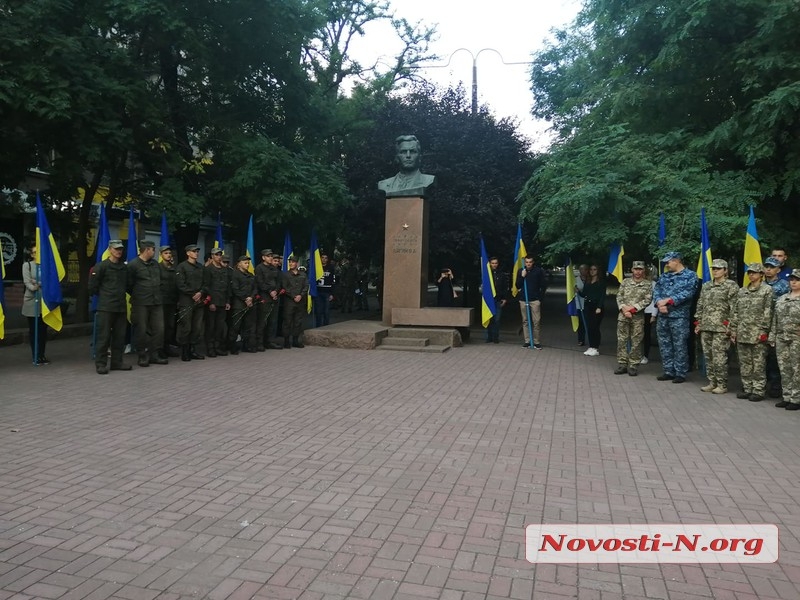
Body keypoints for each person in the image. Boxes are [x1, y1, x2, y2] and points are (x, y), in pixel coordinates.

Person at [653, 251, 699, 383]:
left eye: (669, 262)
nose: (667, 264)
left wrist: (669, 300)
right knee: (664, 344)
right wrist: (659, 303)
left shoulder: (690, 276)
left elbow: (688, 293)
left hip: (679, 317)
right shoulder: (664, 276)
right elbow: (657, 291)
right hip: (663, 315)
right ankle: (668, 370)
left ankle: (680, 372)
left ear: (677, 260)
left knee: (680, 345)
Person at [730, 262, 774, 401]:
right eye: (749, 272)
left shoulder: (767, 290)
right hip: (742, 332)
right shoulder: (742, 290)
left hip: (757, 333)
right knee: (745, 363)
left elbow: (768, 312)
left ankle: (758, 390)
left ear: (761, 274)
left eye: (754, 272)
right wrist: (733, 329)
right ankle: (747, 388)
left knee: (758, 364)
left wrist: (764, 331)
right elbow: (736, 312)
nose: (751, 275)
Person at [693, 258, 738, 394]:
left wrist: (731, 327)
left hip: (721, 328)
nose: (715, 271)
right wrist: (698, 322)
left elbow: (734, 308)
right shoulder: (707, 285)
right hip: (706, 326)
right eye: (713, 269)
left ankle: (722, 384)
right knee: (708, 356)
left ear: (725, 271)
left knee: (719, 357)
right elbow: (700, 304)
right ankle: (712, 382)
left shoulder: (731, 286)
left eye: (718, 269)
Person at [88, 240, 130, 374]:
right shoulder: (101, 267)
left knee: (119, 337)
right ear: (110, 250)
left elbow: (128, 285)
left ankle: (117, 362)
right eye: (116, 249)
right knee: (103, 337)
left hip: (120, 307)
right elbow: (92, 287)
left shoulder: (124, 268)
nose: (119, 251)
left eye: (121, 249)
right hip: (106, 307)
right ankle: (101, 364)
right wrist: (105, 296)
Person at [127, 240, 167, 367]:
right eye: (153, 249)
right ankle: (142, 355)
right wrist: (139, 293)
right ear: (147, 250)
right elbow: (128, 284)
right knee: (141, 330)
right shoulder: (133, 265)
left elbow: (160, 280)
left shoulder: (155, 264)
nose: (155, 252)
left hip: (156, 301)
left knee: (159, 329)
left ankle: (155, 354)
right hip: (141, 302)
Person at [614, 261, 653, 376]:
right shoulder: (625, 282)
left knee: (636, 342)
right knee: (622, 340)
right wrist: (624, 309)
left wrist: (632, 309)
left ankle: (633, 365)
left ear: (644, 271)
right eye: (636, 269)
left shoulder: (647, 284)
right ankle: (622, 364)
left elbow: (647, 300)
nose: (638, 272)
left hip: (637, 317)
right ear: (632, 270)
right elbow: (619, 296)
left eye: (640, 269)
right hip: (623, 316)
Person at [771, 269, 800, 410]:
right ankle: (787, 396)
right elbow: (775, 319)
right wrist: (773, 336)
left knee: (797, 369)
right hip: (782, 337)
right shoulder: (782, 298)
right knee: (784, 368)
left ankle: (796, 398)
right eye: (791, 279)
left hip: (797, 339)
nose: (793, 282)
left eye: (797, 279)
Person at [175, 243, 206, 361]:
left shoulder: (200, 267)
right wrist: (192, 293)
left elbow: (206, 283)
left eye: (197, 251)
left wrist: (201, 292)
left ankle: (193, 350)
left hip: (199, 301)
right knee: (186, 327)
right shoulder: (182, 267)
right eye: (194, 251)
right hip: (186, 301)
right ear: (188, 253)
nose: (196, 253)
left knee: (197, 327)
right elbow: (180, 284)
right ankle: (185, 351)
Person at [764, 256, 789, 397]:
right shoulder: (760, 284)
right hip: (762, 325)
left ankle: (775, 386)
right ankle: (760, 384)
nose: (768, 269)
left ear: (778, 269)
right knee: (762, 357)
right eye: (766, 266)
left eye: (772, 267)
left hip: (777, 326)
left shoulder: (784, 285)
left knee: (775, 358)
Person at [21, 243, 49, 365]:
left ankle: (42, 354)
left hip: (44, 301)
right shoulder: (27, 266)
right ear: (31, 255)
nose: (37, 255)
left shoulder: (45, 266)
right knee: (34, 330)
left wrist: (38, 283)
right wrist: (34, 285)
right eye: (35, 252)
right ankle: (35, 355)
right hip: (32, 301)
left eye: (39, 252)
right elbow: (27, 283)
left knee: (43, 330)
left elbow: (49, 282)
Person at [203, 247, 231, 357]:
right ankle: (210, 348)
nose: (219, 257)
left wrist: (228, 301)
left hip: (223, 301)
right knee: (211, 326)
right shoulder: (208, 269)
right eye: (217, 255)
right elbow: (206, 286)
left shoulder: (224, 269)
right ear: (212, 257)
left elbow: (227, 286)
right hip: (213, 301)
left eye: (220, 255)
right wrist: (211, 302)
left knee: (220, 327)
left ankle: (218, 347)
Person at [515, 255, 547, 349]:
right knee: (525, 321)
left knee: (536, 321)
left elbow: (543, 285)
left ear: (533, 262)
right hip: (523, 299)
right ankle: (527, 341)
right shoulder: (521, 271)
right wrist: (522, 276)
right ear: (525, 262)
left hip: (534, 300)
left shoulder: (538, 271)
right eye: (527, 262)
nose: (528, 264)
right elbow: (517, 285)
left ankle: (536, 341)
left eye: (530, 262)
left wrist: (540, 298)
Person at [228, 255, 257, 354]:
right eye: (245, 263)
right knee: (236, 326)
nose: (247, 265)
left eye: (248, 263)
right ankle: (232, 346)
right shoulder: (235, 275)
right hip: (239, 304)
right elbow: (235, 289)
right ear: (239, 264)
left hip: (249, 303)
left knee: (248, 325)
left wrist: (251, 298)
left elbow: (255, 288)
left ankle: (246, 345)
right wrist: (245, 298)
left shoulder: (251, 275)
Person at [577, 264, 607, 356]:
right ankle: (591, 346)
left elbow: (602, 296)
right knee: (589, 327)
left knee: (595, 327)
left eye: (594, 269)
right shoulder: (588, 281)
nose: (592, 271)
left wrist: (599, 307)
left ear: (598, 271)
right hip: (588, 305)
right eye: (591, 269)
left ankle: (596, 347)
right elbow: (585, 294)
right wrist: (578, 291)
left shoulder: (601, 282)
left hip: (596, 306)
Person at [281, 255, 309, 348]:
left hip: (300, 301)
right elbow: (285, 287)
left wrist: (301, 295)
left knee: (298, 321)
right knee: (287, 321)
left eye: (293, 262)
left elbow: (306, 286)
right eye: (290, 262)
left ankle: (295, 340)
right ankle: (286, 341)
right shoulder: (285, 275)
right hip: (289, 301)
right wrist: (293, 296)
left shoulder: (303, 274)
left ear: (297, 263)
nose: (291, 263)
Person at [158, 245, 179, 359]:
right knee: (161, 327)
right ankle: (159, 349)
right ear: (161, 255)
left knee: (170, 326)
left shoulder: (173, 268)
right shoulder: (158, 268)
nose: (169, 255)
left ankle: (167, 346)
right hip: (161, 301)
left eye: (170, 253)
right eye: (166, 253)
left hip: (172, 301)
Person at [486, 258, 507, 343]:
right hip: (489, 300)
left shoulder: (501, 275)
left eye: (496, 263)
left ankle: (495, 337)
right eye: (492, 263)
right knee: (489, 319)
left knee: (497, 320)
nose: (494, 265)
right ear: (490, 264)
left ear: (498, 264)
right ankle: (489, 337)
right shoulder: (487, 275)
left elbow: (505, 287)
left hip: (498, 300)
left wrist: (504, 298)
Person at [313, 253, 335, 327]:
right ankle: (318, 326)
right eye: (322, 257)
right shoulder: (316, 268)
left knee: (326, 311)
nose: (324, 259)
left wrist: (332, 293)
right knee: (318, 311)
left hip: (327, 292)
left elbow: (333, 281)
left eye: (326, 258)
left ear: (327, 259)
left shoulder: (331, 268)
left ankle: (326, 326)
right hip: (318, 292)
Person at [575, 264, 588, 346]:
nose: (583, 271)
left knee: (590, 323)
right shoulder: (576, 280)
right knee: (581, 323)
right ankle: (581, 339)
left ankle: (593, 339)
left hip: (588, 304)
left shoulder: (590, 280)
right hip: (579, 304)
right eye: (581, 269)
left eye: (585, 269)